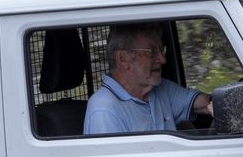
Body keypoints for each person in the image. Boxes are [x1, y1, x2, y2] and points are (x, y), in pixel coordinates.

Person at [84, 22, 214, 134]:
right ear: (123, 59)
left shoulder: (160, 89)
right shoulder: (104, 109)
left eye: (161, 50)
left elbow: (205, 104)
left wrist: (226, 101)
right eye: (151, 51)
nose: (163, 60)